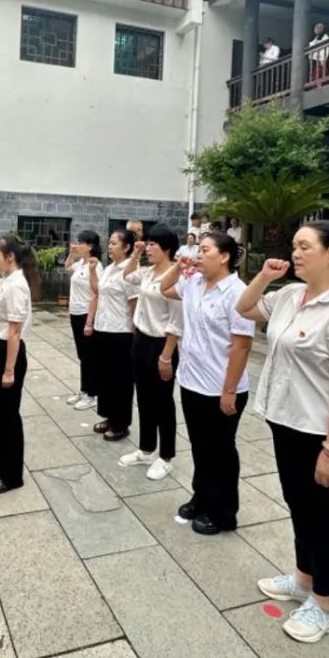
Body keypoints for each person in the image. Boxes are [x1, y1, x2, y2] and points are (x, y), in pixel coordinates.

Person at [236, 221, 329, 643]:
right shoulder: (290, 296)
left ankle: (324, 603)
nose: (295, 254)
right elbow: (244, 308)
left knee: (320, 516)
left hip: (321, 433)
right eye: (294, 246)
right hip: (286, 421)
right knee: (298, 505)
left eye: (305, 246)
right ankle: (302, 578)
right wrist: (264, 277)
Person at [160, 231, 254, 535]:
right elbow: (165, 288)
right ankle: (201, 497)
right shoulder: (193, 282)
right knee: (200, 446)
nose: (198, 255)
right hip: (192, 381)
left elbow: (241, 346)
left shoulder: (237, 292)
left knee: (221, 451)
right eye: (198, 250)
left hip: (221, 387)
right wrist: (178, 267)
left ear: (224, 257)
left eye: (205, 250)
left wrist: (229, 390)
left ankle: (223, 512)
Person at [119, 224, 183, 480]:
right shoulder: (147, 272)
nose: (148, 248)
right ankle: (146, 449)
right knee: (144, 398)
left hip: (161, 345)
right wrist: (135, 254)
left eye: (152, 245)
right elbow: (127, 275)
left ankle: (166, 457)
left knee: (163, 402)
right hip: (141, 340)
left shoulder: (175, 276)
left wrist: (166, 356)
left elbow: (176, 322)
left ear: (166, 248)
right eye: (147, 244)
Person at [0, 236, 37, 495]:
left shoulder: (17, 286)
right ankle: (0, 465)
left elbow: (15, 332)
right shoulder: (7, 279)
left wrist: (9, 370)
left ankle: (12, 475)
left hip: (8, 352)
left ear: (10, 257)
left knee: (9, 416)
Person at [91, 228, 139, 441]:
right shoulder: (109, 268)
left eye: (114, 243)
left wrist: (136, 335)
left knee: (120, 380)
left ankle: (120, 423)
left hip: (121, 332)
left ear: (127, 247)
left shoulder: (130, 271)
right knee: (105, 377)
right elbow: (98, 291)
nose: (109, 247)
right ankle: (109, 417)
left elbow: (134, 304)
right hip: (103, 328)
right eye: (109, 243)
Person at [63, 231, 102, 412]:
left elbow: (96, 294)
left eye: (81, 243)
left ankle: (92, 394)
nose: (77, 245)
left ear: (90, 246)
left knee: (89, 356)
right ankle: (84, 389)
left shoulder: (95, 266)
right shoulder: (81, 263)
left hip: (86, 314)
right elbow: (67, 266)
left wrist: (89, 322)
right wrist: (71, 253)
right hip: (75, 313)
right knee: (82, 355)